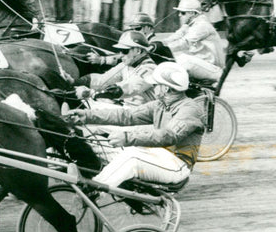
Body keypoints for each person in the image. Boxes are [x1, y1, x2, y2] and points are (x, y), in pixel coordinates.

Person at [65, 61, 206, 190]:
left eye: (155, 85)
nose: (153, 87)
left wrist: (127, 137)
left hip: (177, 165)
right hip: (156, 156)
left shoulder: (190, 109)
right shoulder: (160, 105)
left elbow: (168, 136)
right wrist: (87, 115)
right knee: (106, 146)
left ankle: (92, 189)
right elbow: (126, 116)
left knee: (132, 156)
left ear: (166, 88)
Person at [75, 30, 157, 107]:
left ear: (138, 51)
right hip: (127, 110)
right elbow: (103, 80)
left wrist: (91, 93)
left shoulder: (149, 69)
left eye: (124, 51)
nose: (120, 55)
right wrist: (75, 81)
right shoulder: (125, 65)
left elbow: (126, 89)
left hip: (144, 115)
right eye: (119, 51)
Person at [164, 0, 224, 82]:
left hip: (213, 68)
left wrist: (164, 49)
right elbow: (176, 36)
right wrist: (159, 44)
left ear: (192, 13)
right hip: (202, 64)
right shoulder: (191, 24)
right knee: (173, 60)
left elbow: (184, 43)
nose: (179, 15)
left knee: (183, 60)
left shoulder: (202, 25)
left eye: (182, 13)